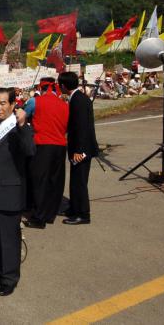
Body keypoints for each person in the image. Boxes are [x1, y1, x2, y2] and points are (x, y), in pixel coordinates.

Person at [0, 88, 35, 296]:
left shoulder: (19, 126)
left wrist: (22, 125)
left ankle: (10, 278)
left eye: (3, 103)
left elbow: (30, 150)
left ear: (13, 105)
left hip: (9, 192)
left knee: (9, 238)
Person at [23, 78, 69, 229]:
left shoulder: (35, 101)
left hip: (42, 144)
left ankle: (39, 217)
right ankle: (50, 214)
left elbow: (22, 116)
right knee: (54, 181)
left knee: (39, 181)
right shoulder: (64, 104)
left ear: (41, 88)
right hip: (60, 146)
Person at [58, 72, 99, 225]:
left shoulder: (78, 101)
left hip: (82, 149)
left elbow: (82, 127)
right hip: (79, 147)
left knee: (79, 182)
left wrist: (79, 150)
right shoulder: (77, 97)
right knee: (75, 181)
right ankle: (74, 208)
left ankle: (83, 214)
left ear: (63, 86)